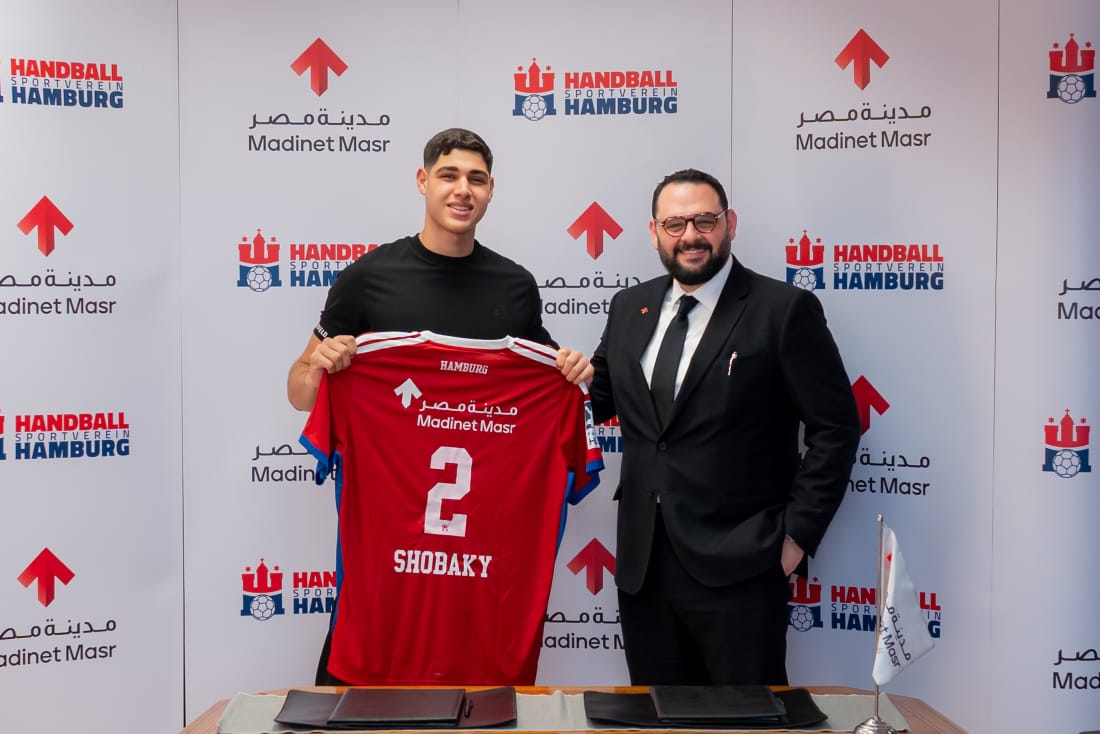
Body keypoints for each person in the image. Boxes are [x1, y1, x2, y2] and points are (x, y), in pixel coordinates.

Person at [287, 128, 592, 684]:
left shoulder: (515, 286)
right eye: (449, 176)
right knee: (355, 691)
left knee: (476, 699)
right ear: (423, 181)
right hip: (385, 564)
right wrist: (319, 366)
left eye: (476, 179)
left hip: (481, 570)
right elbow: (299, 391)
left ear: (491, 189)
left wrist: (571, 372)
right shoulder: (368, 278)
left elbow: (547, 382)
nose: (462, 190)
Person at [588, 168, 860, 686]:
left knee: (747, 719)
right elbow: (596, 399)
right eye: (674, 224)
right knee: (655, 717)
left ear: (729, 223)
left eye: (704, 221)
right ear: (653, 233)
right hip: (644, 568)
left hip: (743, 566)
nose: (690, 236)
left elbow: (837, 428)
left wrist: (795, 538)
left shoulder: (783, 310)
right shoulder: (629, 307)